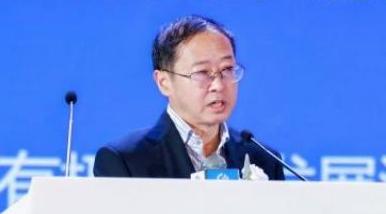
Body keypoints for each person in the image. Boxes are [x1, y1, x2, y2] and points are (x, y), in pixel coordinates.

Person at [93, 15, 286, 180]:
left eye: (227, 69)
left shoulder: (265, 160)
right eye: (202, 72)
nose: (218, 85)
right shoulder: (125, 160)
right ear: (164, 82)